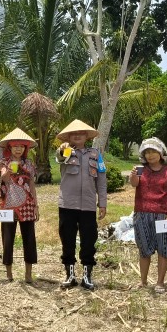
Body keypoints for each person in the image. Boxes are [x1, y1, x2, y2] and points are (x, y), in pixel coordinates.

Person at [55, 119, 107, 291]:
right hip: (67, 204)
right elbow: (59, 157)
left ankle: (87, 275)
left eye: (81, 133)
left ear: (87, 136)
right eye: (73, 133)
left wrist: (103, 203)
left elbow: (101, 179)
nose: (77, 135)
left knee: (89, 240)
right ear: (69, 137)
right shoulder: (66, 151)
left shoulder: (95, 154)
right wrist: (63, 149)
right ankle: (70, 275)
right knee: (67, 239)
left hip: (88, 205)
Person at [127, 137, 167, 293]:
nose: (150, 155)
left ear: (161, 153)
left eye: (153, 151)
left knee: (164, 249)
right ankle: (143, 281)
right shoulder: (140, 169)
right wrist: (133, 176)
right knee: (144, 249)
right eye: (147, 152)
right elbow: (134, 184)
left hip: (163, 215)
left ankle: (160, 283)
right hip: (142, 214)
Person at [0, 128, 39, 283]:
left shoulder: (29, 163)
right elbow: (4, 178)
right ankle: (9, 273)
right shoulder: (3, 162)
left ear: (25, 148)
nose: (18, 149)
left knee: (29, 239)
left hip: (27, 205)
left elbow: (32, 184)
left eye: (21, 146)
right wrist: (9, 168)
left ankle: (28, 274)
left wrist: (36, 205)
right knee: (8, 239)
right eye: (15, 146)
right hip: (7, 205)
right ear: (10, 148)